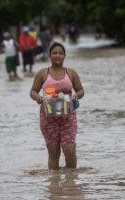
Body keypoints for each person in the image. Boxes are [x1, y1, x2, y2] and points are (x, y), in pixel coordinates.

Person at [30, 42, 84, 170]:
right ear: (49, 55)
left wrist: (76, 96)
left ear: (65, 56)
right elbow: (33, 91)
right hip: (48, 117)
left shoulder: (71, 73)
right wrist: (39, 98)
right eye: (54, 53)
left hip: (68, 116)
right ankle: (54, 185)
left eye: (60, 53)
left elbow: (81, 90)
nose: (57, 55)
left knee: (69, 151)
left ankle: (70, 183)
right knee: (54, 153)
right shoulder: (43, 73)